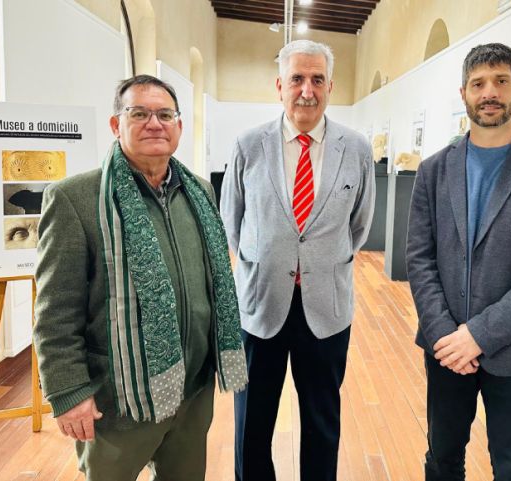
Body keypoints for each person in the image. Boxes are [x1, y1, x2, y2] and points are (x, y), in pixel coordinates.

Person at [33, 75, 247, 481]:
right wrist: (68, 392)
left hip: (193, 393)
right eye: (139, 113)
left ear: (179, 127)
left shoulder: (199, 192)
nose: (155, 123)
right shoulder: (75, 199)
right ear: (117, 125)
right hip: (119, 402)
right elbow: (55, 311)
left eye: (165, 114)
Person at [405, 43, 511, 481]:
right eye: (479, 83)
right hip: (446, 351)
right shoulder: (433, 171)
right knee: (442, 459)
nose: (490, 92)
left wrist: (478, 336)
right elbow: (420, 257)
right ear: (463, 92)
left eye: (501, 81)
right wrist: (447, 334)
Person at [221, 39, 375, 481]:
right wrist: (266, 258)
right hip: (261, 306)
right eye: (297, 79)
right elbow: (233, 220)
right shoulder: (249, 145)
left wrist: (319, 261)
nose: (307, 89)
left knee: (322, 422)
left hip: (325, 310)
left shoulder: (357, 148)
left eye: (317, 79)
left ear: (330, 85)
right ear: (280, 86)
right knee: (252, 425)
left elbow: (359, 225)